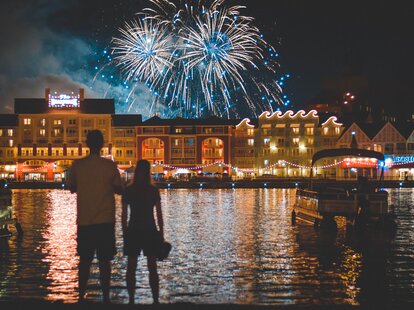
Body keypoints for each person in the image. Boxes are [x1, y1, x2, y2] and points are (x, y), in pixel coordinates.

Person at [67, 130, 124, 303]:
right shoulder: (109, 166)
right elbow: (119, 189)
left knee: (84, 260)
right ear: (102, 145)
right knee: (105, 261)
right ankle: (106, 297)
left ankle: (81, 297)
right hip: (105, 220)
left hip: (85, 220)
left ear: (86, 144)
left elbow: (71, 188)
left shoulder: (77, 165)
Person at [122, 159, 164, 305]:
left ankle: (131, 300)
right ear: (148, 172)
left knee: (131, 267)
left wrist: (124, 231)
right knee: (152, 267)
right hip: (150, 229)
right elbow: (159, 214)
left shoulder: (129, 190)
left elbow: (123, 214)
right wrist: (161, 233)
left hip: (133, 229)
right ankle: (155, 300)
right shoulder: (153, 190)